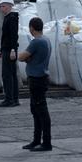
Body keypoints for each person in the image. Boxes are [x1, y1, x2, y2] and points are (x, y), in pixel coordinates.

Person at [17, 17, 52, 151]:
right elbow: (32, 58)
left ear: (32, 28)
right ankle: (37, 140)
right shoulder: (46, 40)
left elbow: (22, 57)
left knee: (41, 111)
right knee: (36, 110)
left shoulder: (36, 42)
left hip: (37, 79)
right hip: (41, 77)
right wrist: (28, 58)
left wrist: (22, 56)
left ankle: (46, 142)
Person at [0, 0, 20, 107]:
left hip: (10, 50)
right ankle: (14, 99)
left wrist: (12, 50)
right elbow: (5, 37)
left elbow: (13, 36)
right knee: (11, 74)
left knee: (7, 75)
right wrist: (2, 49)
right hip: (6, 49)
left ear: (10, 6)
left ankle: (9, 99)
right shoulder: (8, 17)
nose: (1, 8)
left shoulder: (11, 18)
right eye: (1, 6)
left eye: (3, 6)